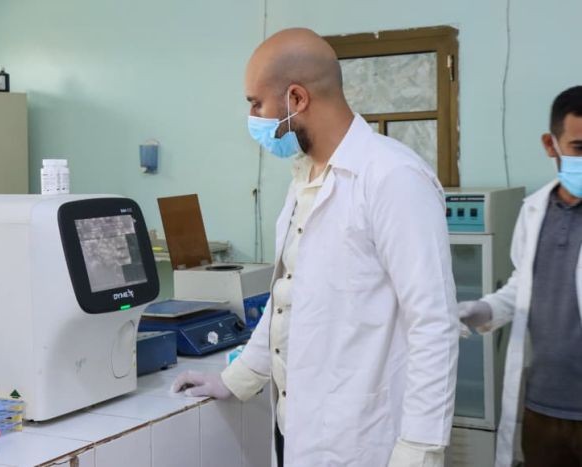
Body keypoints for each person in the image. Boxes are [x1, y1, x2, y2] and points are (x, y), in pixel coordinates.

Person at [172, 28, 459, 467]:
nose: (252, 117)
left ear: (297, 98)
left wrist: (421, 449)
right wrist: (237, 378)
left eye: (256, 104)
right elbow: (286, 298)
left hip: (365, 439)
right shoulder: (306, 177)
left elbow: (433, 323)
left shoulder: (393, 178)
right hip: (299, 429)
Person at [459, 85, 582, 467]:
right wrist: (482, 309)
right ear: (551, 144)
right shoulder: (534, 212)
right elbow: (523, 287)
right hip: (542, 406)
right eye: (579, 147)